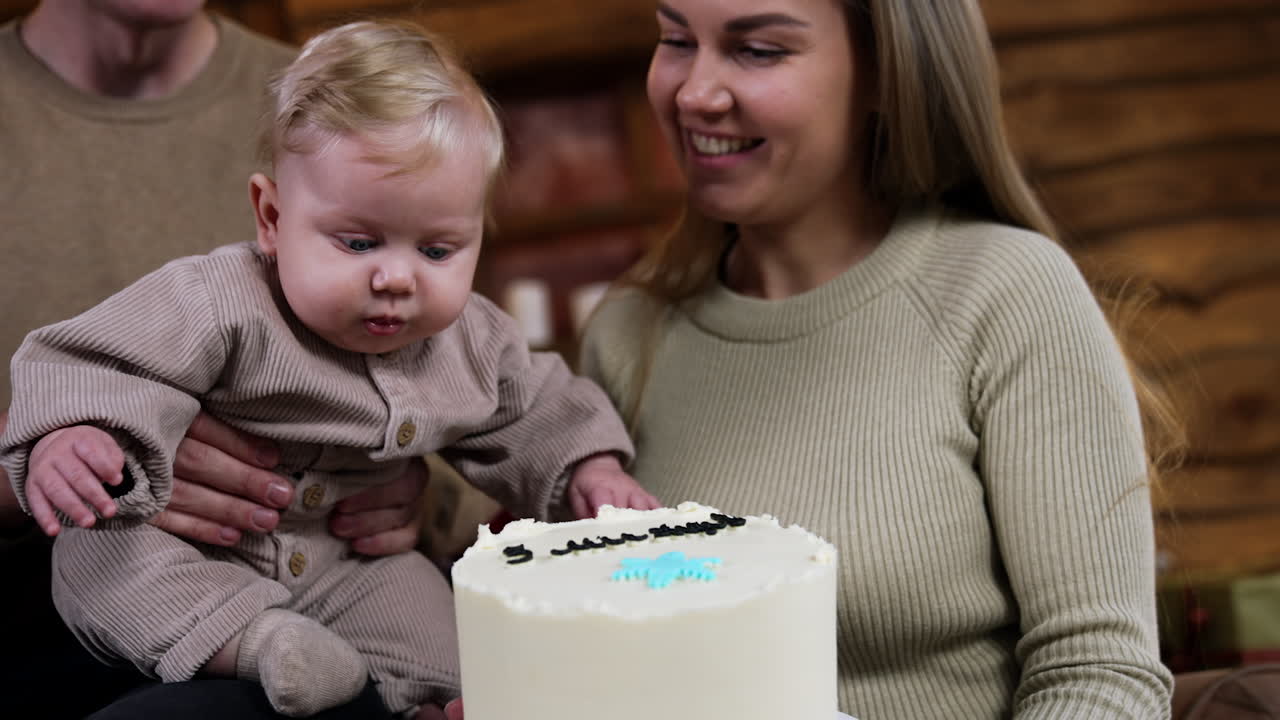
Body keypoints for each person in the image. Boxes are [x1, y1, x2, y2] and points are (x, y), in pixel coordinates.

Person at [2, 18, 658, 720]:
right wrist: (75, 436)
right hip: (189, 554)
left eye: (438, 251)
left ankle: (440, 700)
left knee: (437, 626)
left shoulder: (468, 338)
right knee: (111, 563)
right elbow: (101, 363)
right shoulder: (216, 300)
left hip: (345, 561)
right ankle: (256, 643)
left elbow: (534, 406)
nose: (397, 279)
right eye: (358, 242)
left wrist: (591, 470)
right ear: (271, 215)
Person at [571, 0, 1177, 718]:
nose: (694, 92)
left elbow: (1102, 675)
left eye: (758, 50)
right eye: (675, 40)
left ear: (889, 75)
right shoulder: (625, 333)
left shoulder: (1006, 293)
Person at [2, 3, 436, 718]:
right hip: (52, 624)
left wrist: (395, 468)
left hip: (332, 610)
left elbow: (469, 379)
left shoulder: (345, 109)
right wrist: (50, 459)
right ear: (266, 215)